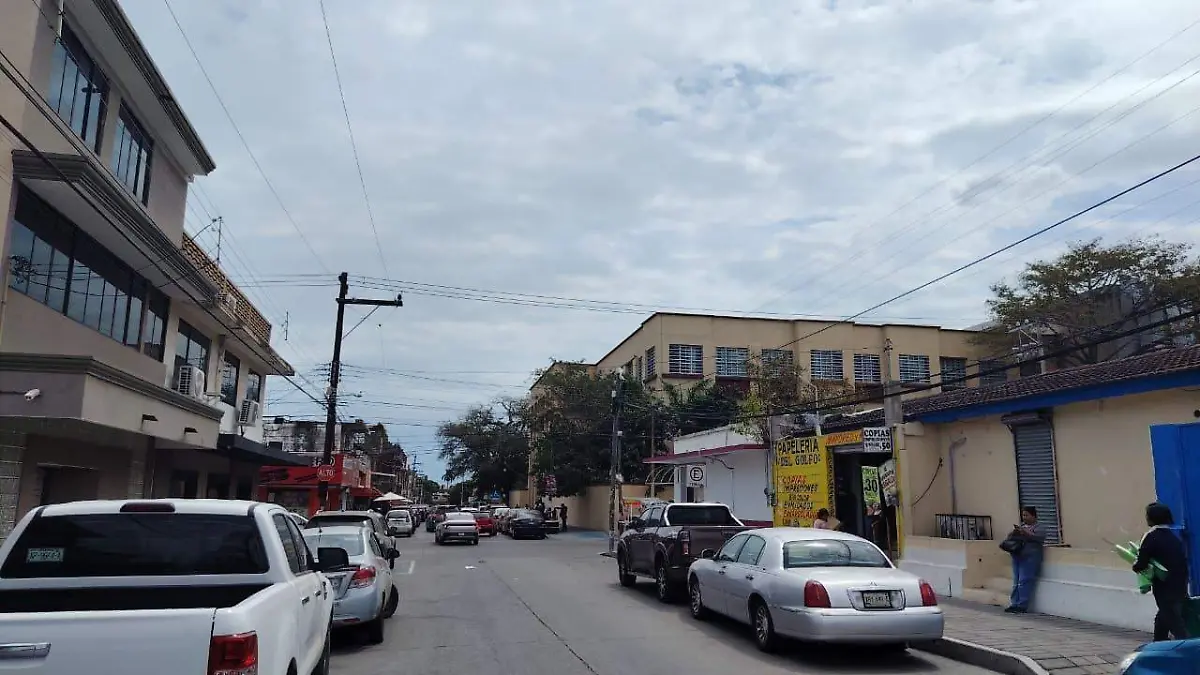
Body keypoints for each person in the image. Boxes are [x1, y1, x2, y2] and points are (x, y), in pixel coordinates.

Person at [1134, 502, 1191, 641]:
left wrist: (1135, 565)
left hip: (1164, 587)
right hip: (1180, 586)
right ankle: (1158, 643)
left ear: (1153, 518)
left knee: (1176, 625)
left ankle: (1191, 652)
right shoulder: (1174, 538)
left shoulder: (1150, 537)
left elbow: (1141, 564)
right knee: (1164, 617)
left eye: (1148, 515)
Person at [1005, 506, 1046, 613]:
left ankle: (1022, 605)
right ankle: (1014, 603)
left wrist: (1025, 532)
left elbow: (1038, 537)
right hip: (1018, 556)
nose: (1024, 517)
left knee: (1024, 581)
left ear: (1033, 516)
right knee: (1016, 581)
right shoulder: (1022, 527)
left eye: (1027, 515)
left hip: (1030, 557)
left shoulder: (1039, 527)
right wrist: (1015, 532)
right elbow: (1010, 538)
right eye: (1023, 515)